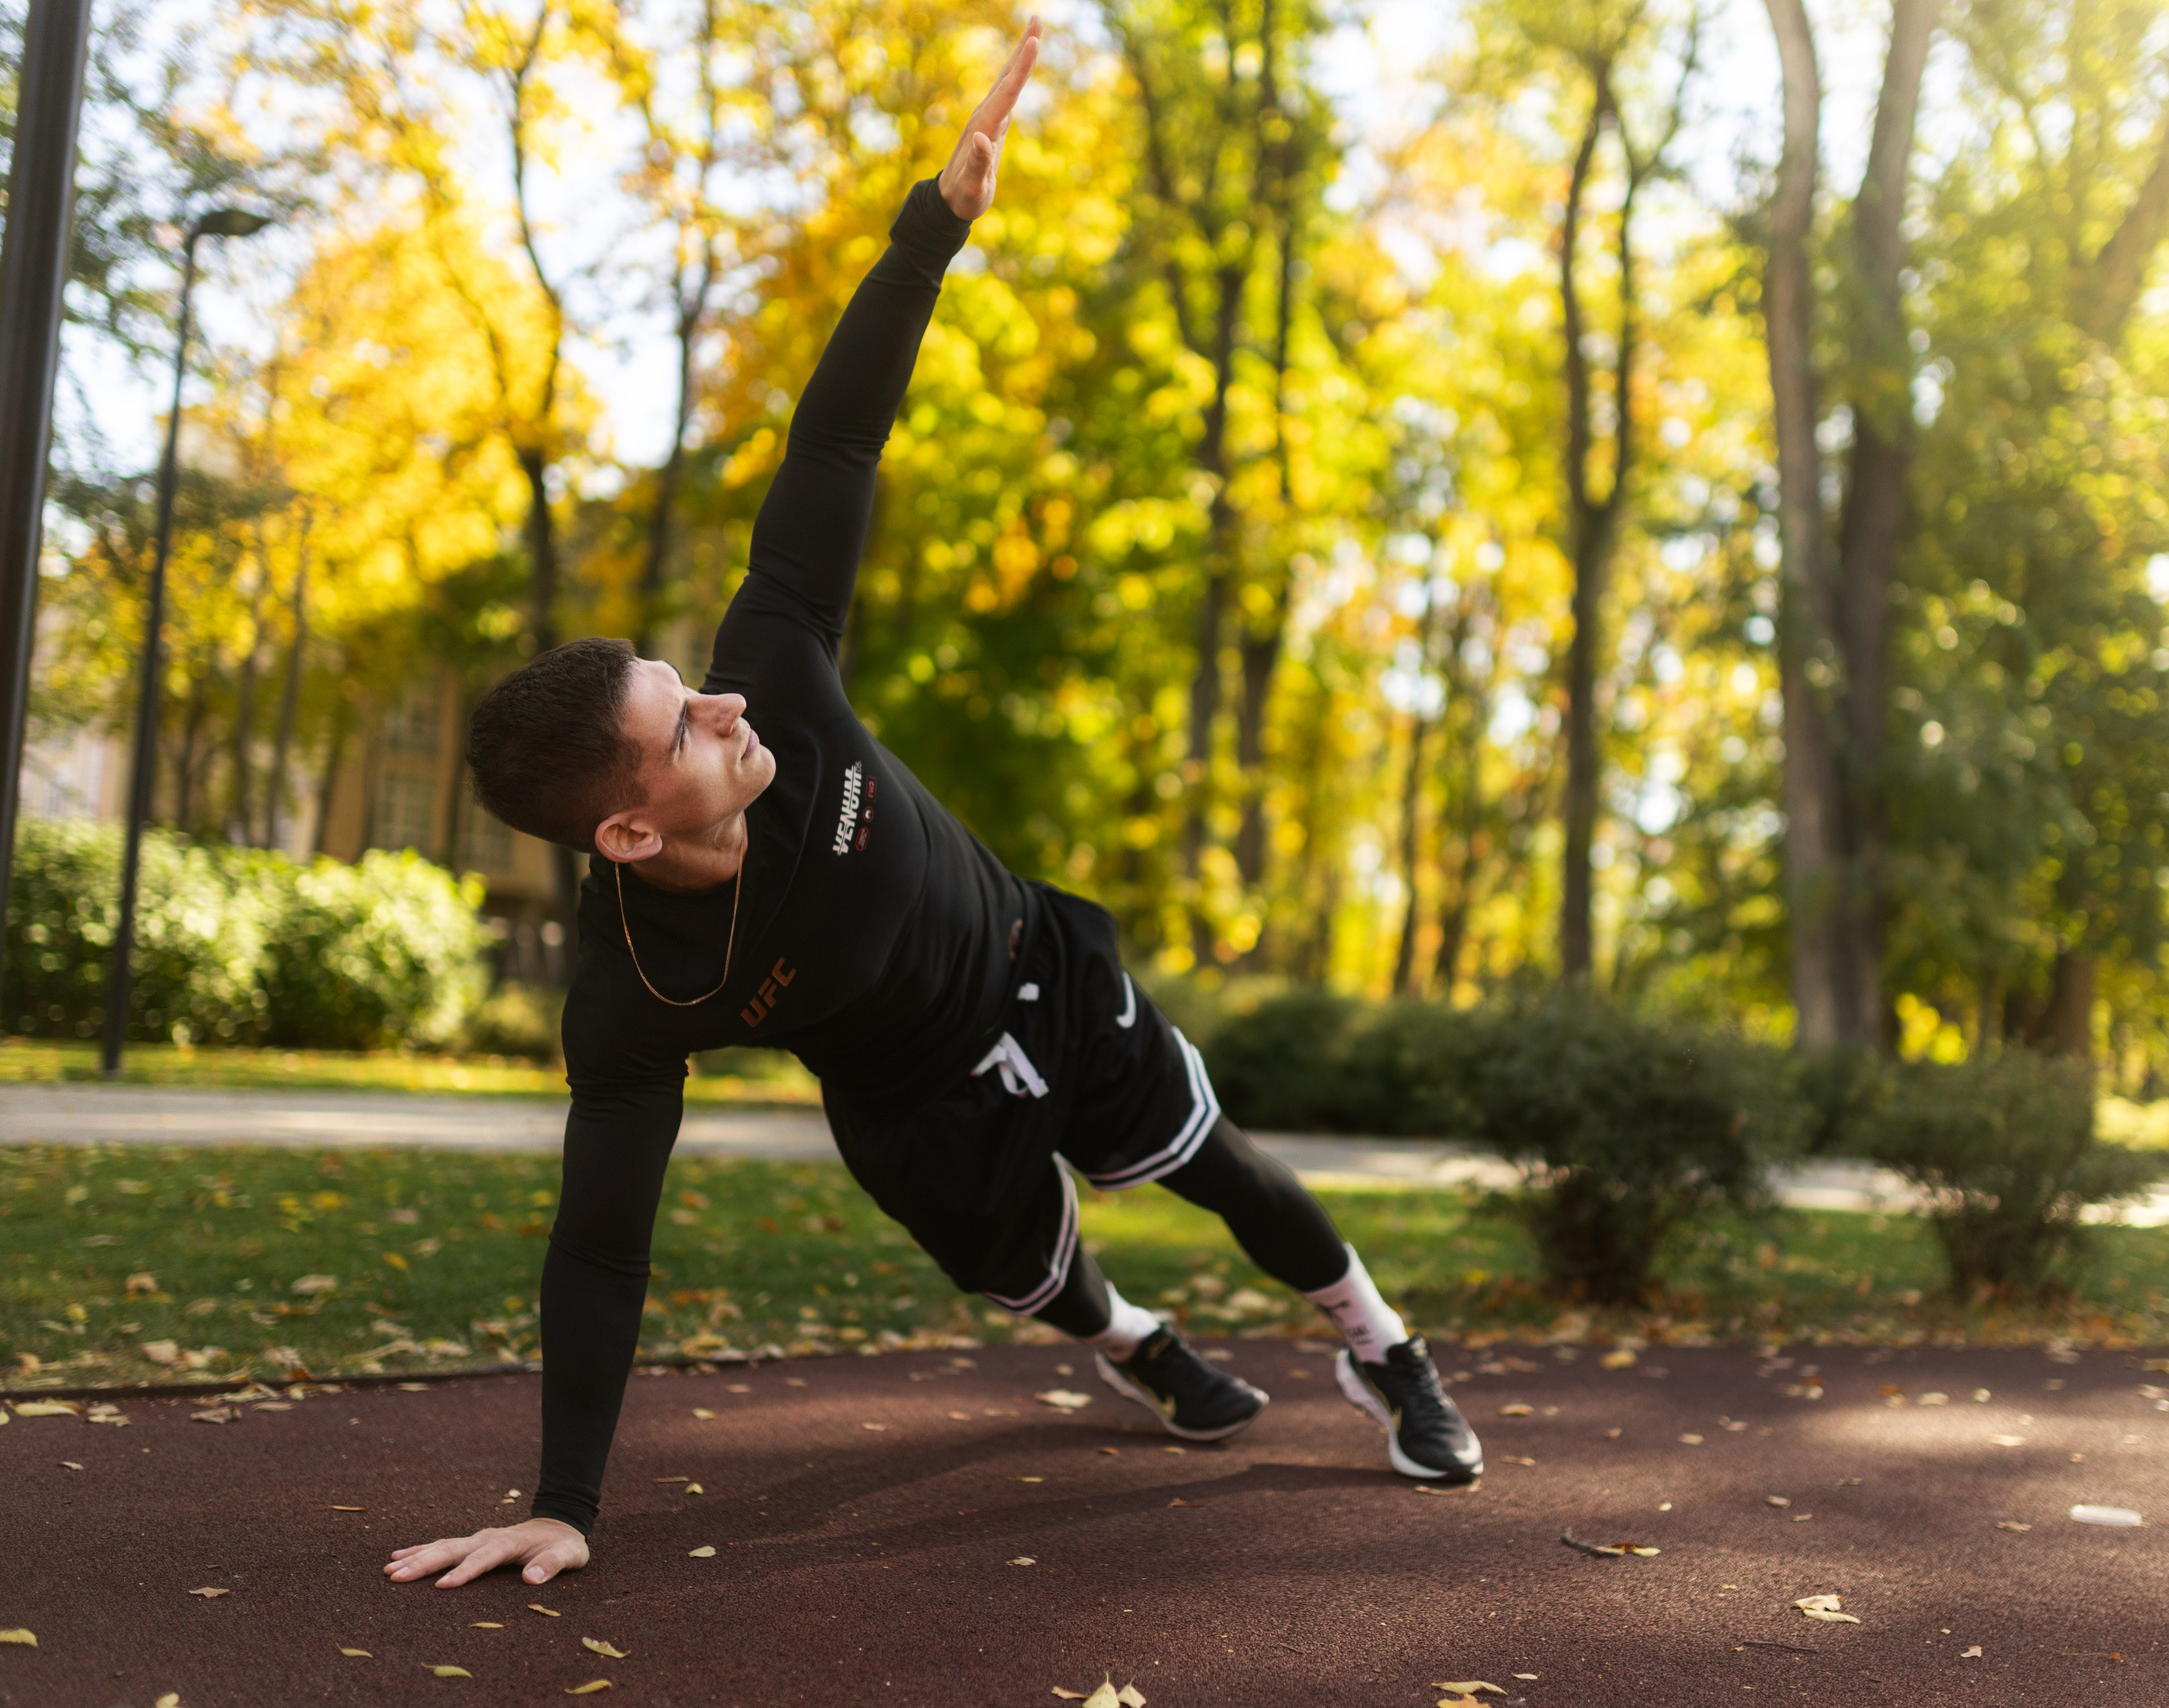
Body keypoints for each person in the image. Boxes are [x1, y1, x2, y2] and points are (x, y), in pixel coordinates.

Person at [384, 20, 1480, 1593]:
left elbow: (834, 436)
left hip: (1037, 968)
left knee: (1215, 1163)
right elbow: (602, 1245)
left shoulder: (777, 666)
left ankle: (1384, 1351)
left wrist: (935, 225)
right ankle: (1142, 1349)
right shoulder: (633, 989)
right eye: (677, 725)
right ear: (628, 832)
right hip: (904, 1102)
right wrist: (569, 1501)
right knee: (1033, 1280)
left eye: (683, 674)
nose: (723, 701)